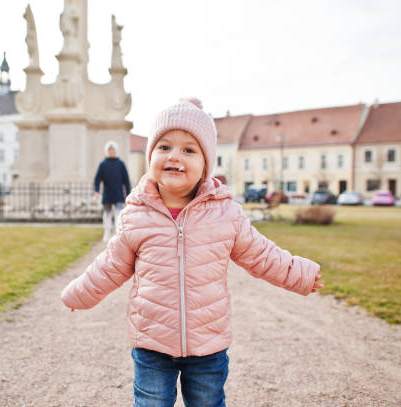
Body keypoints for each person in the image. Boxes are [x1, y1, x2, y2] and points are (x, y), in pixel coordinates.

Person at [62, 98, 323, 407]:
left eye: (189, 150)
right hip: (152, 343)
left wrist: (300, 274)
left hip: (207, 344)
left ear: (205, 164)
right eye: (164, 147)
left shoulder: (224, 213)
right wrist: (79, 294)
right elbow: (109, 267)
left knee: (207, 402)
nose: (175, 156)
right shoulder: (136, 215)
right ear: (151, 156)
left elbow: (261, 255)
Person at [94, 141, 131, 242]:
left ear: (116, 151)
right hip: (107, 194)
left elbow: (126, 180)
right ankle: (107, 232)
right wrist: (96, 190)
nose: (111, 152)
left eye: (113, 150)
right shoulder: (103, 164)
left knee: (118, 214)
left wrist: (128, 194)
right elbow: (97, 179)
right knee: (107, 214)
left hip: (118, 193)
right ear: (107, 151)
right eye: (109, 150)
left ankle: (118, 234)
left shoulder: (120, 164)